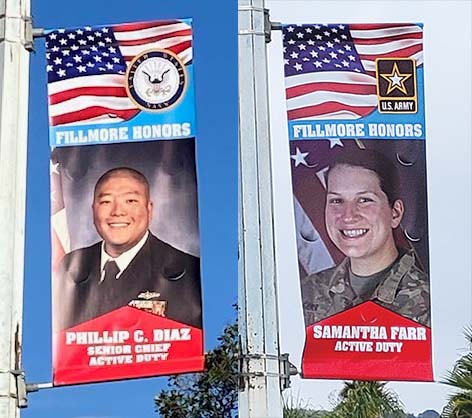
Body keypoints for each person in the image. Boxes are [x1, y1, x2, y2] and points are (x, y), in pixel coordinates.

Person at [54, 167, 202, 331]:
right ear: (93, 210)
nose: (117, 212)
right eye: (106, 202)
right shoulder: (70, 267)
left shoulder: (187, 271)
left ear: (149, 209)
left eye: (130, 201)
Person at [301, 149, 430, 327]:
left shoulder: (432, 300)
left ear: (395, 213)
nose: (348, 216)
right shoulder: (306, 292)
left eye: (364, 200)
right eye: (337, 201)